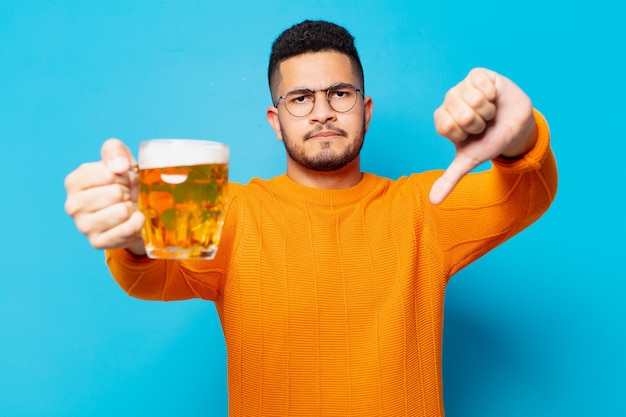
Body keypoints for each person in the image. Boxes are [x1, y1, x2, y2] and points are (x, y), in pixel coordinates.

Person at [64, 20, 558, 416]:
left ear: (365, 111)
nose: (322, 112)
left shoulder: (422, 209)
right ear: (276, 122)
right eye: (301, 99)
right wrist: (131, 238)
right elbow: (155, 274)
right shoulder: (231, 211)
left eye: (339, 94)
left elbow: (523, 192)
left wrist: (518, 136)